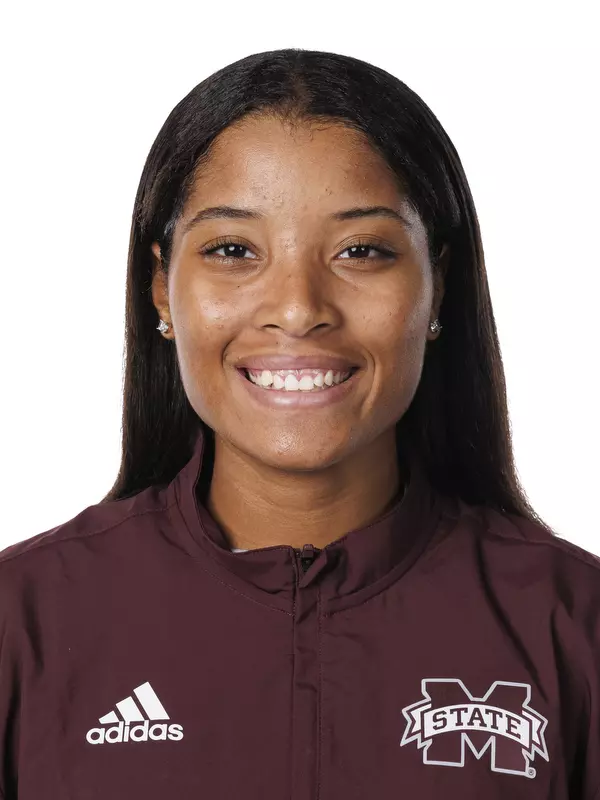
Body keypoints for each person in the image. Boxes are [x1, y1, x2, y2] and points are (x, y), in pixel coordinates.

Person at [0, 48, 598, 800]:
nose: (297, 306)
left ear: (437, 283)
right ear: (160, 287)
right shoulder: (21, 623)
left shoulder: (573, 625)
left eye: (362, 250)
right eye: (232, 250)